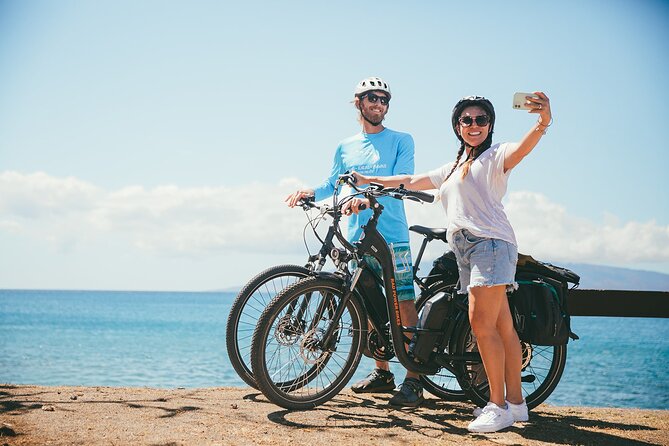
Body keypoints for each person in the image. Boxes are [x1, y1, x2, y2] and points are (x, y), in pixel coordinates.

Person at [345, 93, 553, 432]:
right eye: (466, 120)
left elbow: (523, 149)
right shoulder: (454, 167)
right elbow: (410, 181)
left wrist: (542, 122)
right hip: (468, 250)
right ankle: (516, 405)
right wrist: (370, 181)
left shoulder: (496, 155)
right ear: (458, 127)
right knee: (502, 327)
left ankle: (496, 406)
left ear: (489, 126)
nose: (473, 125)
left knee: (481, 325)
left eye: (480, 120)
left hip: (491, 245)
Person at [285, 77, 424, 407]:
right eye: (372, 99)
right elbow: (333, 182)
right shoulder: (345, 146)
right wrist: (309, 192)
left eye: (384, 100)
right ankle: (382, 372)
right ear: (358, 103)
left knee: (402, 301)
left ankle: (414, 379)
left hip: (390, 234)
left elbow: (403, 180)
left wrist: (365, 197)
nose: (379, 104)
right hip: (352, 236)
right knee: (365, 303)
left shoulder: (402, 140)